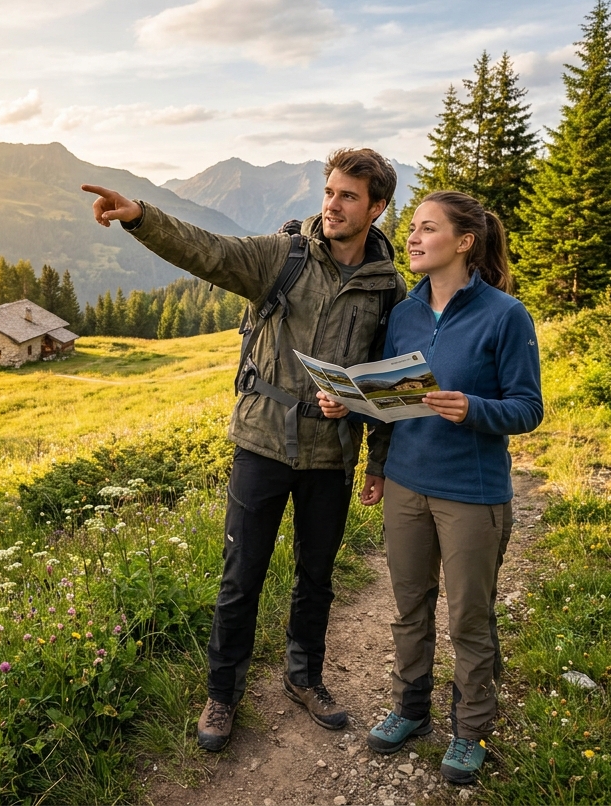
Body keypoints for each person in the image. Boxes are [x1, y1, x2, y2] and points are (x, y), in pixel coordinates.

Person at [83, 148, 407, 752]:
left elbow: (387, 379)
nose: (332, 206)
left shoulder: (389, 289)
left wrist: (375, 454)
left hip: (332, 454)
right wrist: (140, 217)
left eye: (348, 197)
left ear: (377, 208)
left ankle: (304, 678)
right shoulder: (280, 257)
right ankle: (222, 695)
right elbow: (209, 251)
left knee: (317, 577)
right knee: (241, 577)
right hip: (261, 442)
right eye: (330, 191)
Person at [317, 189, 543, 784]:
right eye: (412, 227)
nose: (412, 238)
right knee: (408, 608)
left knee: (469, 618)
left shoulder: (505, 315)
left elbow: (527, 408)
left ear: (464, 242)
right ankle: (411, 708)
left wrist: (473, 408)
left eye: (427, 229)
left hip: (473, 491)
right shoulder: (405, 314)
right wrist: (355, 417)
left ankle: (470, 730)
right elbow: (393, 400)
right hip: (406, 485)